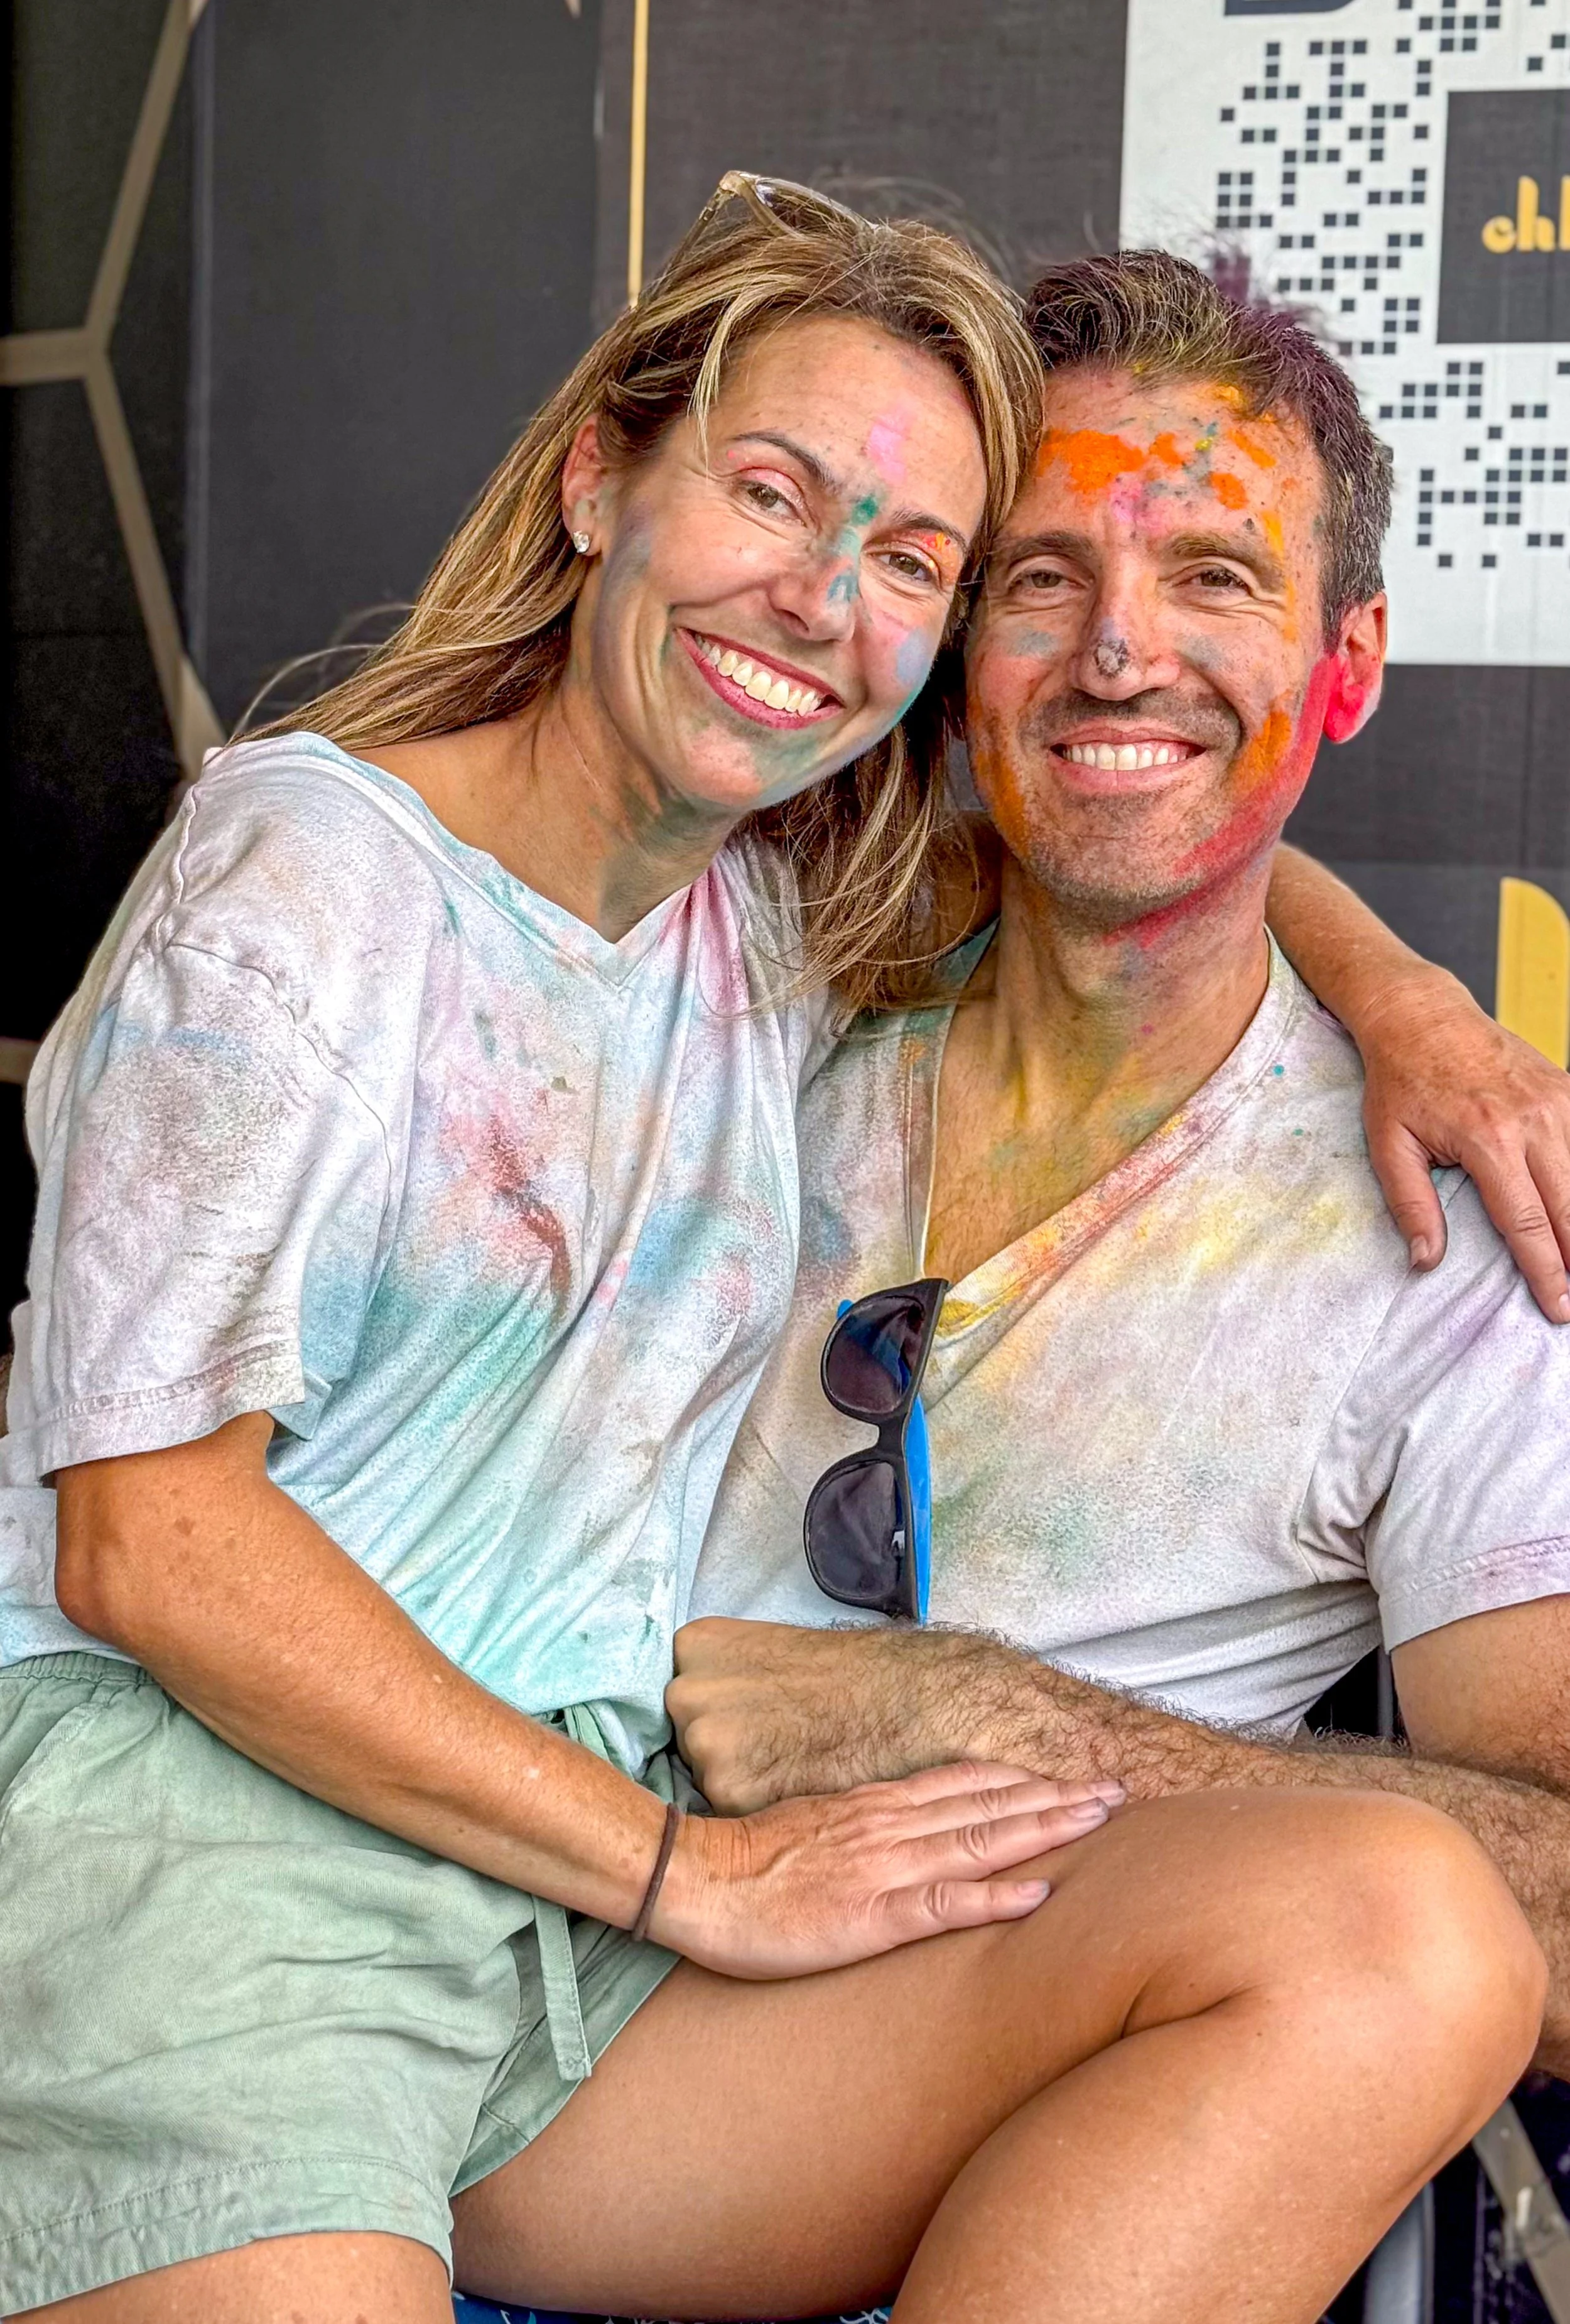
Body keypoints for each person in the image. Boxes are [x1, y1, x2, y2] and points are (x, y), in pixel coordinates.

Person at [0, 187, 1549, 2324]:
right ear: (596, 481)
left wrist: (1408, 998)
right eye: (768, 491)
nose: (1110, 646)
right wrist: (691, 1863)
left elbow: (1153, 821)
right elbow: (144, 1541)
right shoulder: (507, 898)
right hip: (270, 1858)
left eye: (905, 557)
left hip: (618, 1975)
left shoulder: (799, 926)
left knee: (1409, 1921)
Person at [679, 253, 1570, 2107]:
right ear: (939, 639)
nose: (1116, 654)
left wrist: (1006, 1731)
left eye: (1213, 577)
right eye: (1042, 579)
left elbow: (1549, 1935)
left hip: (962, 2168)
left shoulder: (1466, 1228)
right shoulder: (750, 982)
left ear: (1349, 666)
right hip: (442, 2030)